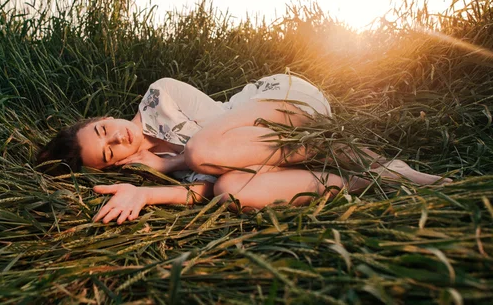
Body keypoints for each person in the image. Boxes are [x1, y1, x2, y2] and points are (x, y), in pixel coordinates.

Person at [37, 74, 450, 224]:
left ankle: (351, 151)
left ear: (103, 117)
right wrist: (144, 192)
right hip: (272, 154)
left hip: (283, 105)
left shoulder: (159, 96)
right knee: (232, 192)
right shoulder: (146, 167)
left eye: (105, 129)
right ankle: (366, 176)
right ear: (113, 166)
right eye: (109, 152)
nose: (117, 138)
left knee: (200, 152)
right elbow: (204, 189)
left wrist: (170, 164)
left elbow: (212, 144)